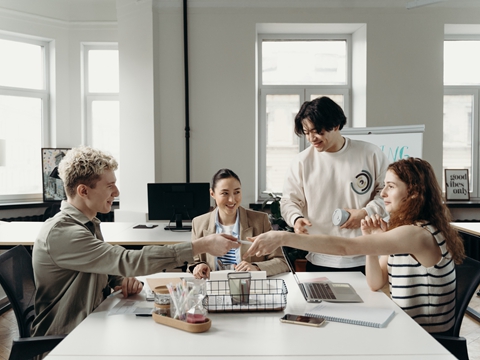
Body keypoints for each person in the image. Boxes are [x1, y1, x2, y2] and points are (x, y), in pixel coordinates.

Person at [32, 147, 240, 337]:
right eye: (110, 186)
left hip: (93, 322)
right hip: (66, 338)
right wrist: (201, 245)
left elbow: (103, 267)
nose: (117, 192)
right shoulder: (63, 233)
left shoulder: (88, 223)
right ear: (83, 191)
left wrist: (119, 281)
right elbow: (127, 260)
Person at [245, 157, 465, 334]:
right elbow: (375, 283)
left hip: (424, 340)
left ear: (413, 193)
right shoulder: (407, 230)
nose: (383, 194)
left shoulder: (417, 233)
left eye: (391, 187)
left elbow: (345, 247)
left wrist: (283, 237)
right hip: (409, 330)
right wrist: (372, 242)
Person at [281, 96, 389, 273]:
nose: (311, 138)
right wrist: (296, 219)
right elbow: (288, 201)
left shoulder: (370, 154)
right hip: (320, 257)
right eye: (306, 132)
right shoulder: (301, 162)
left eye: (317, 132)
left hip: (365, 256)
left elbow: (387, 194)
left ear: (336, 125)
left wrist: (365, 212)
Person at [188, 168, 288, 279]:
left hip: (249, 289)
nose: (232, 200)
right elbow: (193, 263)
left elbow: (282, 262)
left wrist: (256, 267)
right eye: (225, 193)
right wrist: (199, 266)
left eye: (237, 192)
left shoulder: (260, 220)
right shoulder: (198, 223)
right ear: (212, 193)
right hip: (213, 289)